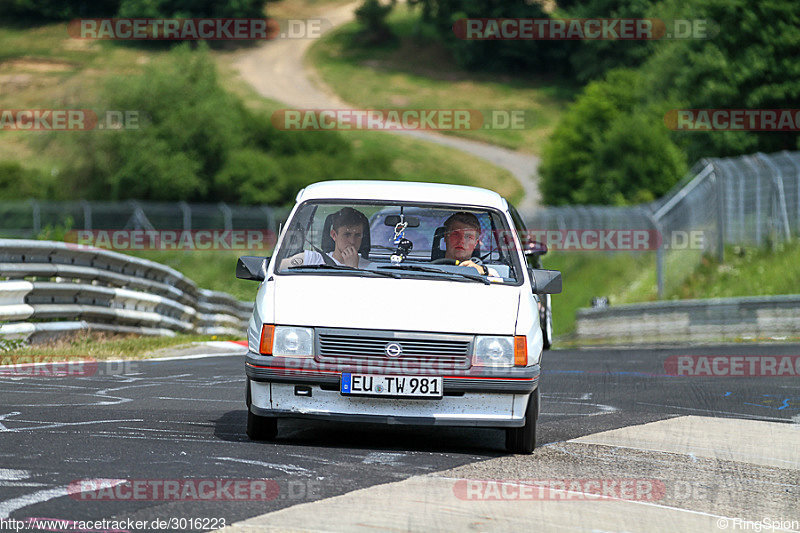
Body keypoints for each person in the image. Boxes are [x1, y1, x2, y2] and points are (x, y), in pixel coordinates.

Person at [280, 207, 371, 269]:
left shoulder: (372, 269)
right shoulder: (312, 259)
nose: (352, 241)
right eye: (347, 235)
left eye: (358, 235)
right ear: (334, 235)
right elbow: (278, 269)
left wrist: (353, 268)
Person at [442, 212, 497, 276]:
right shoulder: (428, 269)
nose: (461, 241)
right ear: (446, 237)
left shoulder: (486, 272)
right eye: (456, 234)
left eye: (469, 237)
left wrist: (483, 271)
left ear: (476, 243)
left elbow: (497, 278)